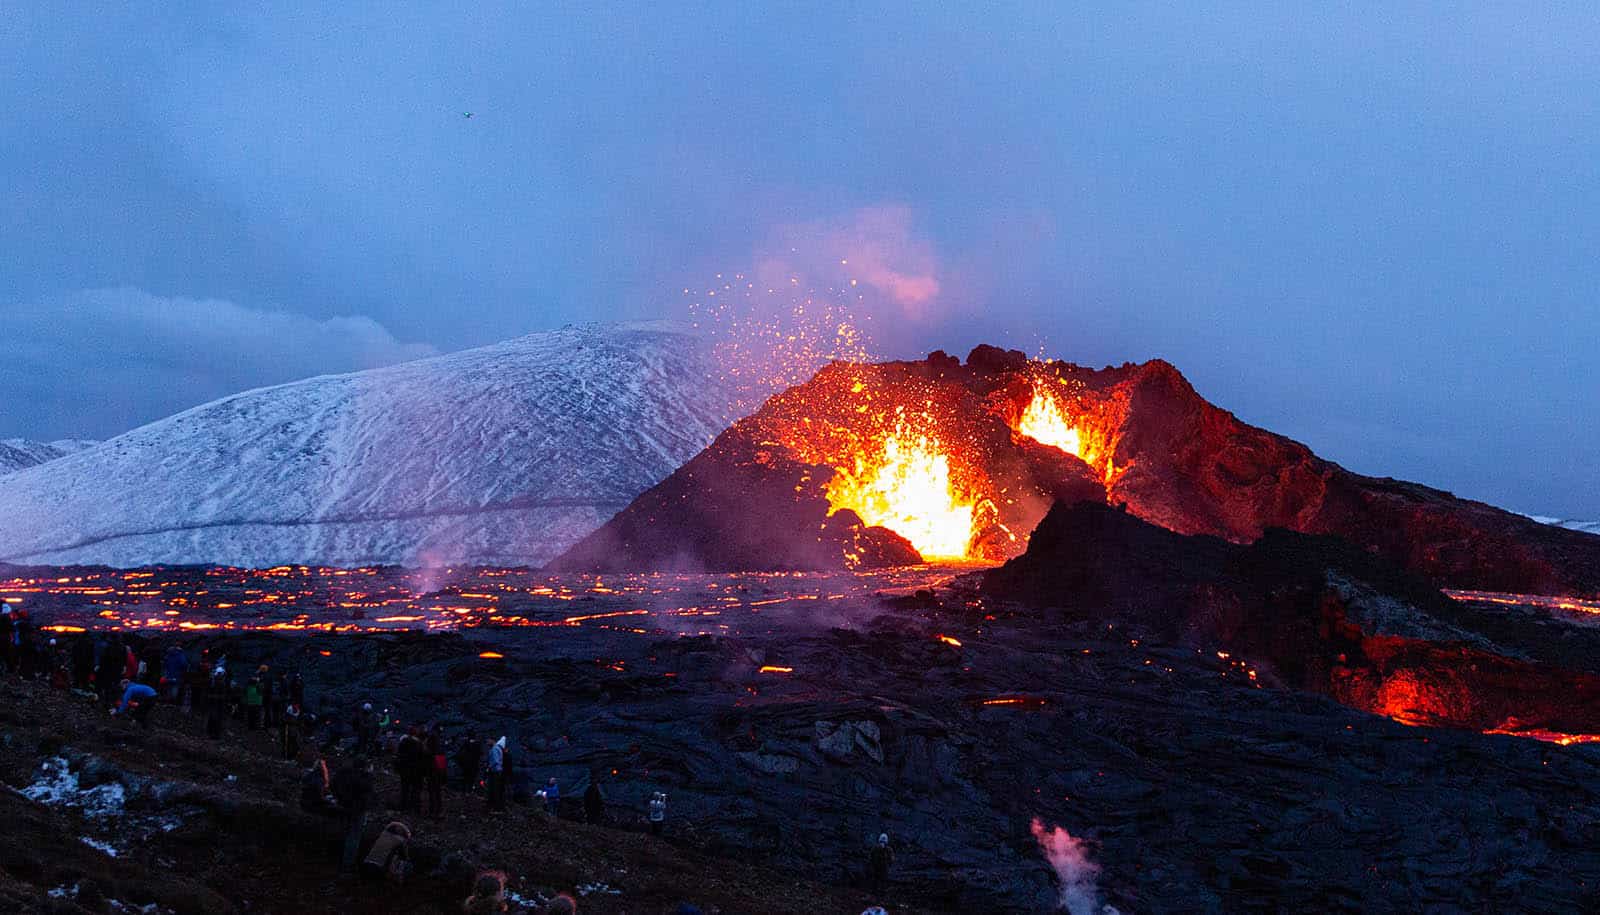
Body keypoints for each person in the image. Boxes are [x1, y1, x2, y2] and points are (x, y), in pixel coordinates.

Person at [331, 756, 375, 870]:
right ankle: (348, 864)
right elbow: (368, 787)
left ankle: (337, 857)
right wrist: (369, 774)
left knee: (344, 832)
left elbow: (332, 785)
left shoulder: (343, 773)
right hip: (357, 810)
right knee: (354, 836)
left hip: (342, 807)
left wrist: (338, 799)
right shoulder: (363, 778)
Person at [395, 725, 425, 813]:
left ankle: (403, 806)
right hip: (415, 770)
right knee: (415, 789)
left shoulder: (403, 741)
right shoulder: (419, 743)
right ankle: (414, 807)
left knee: (405, 788)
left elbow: (399, 754)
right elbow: (422, 757)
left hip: (405, 769)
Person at [425, 726, 446, 818]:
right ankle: (438, 810)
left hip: (432, 770)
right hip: (438, 770)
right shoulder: (440, 749)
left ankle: (433, 809)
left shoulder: (430, 752)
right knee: (437, 791)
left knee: (432, 790)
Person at [485, 736, 508, 812]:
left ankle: (496, 807)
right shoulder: (498, 748)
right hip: (499, 771)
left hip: (495, 772)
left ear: (492, 740)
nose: (487, 742)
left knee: (495, 790)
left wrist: (488, 767)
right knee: (498, 790)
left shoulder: (494, 749)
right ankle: (499, 807)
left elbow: (495, 761)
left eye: (488, 740)